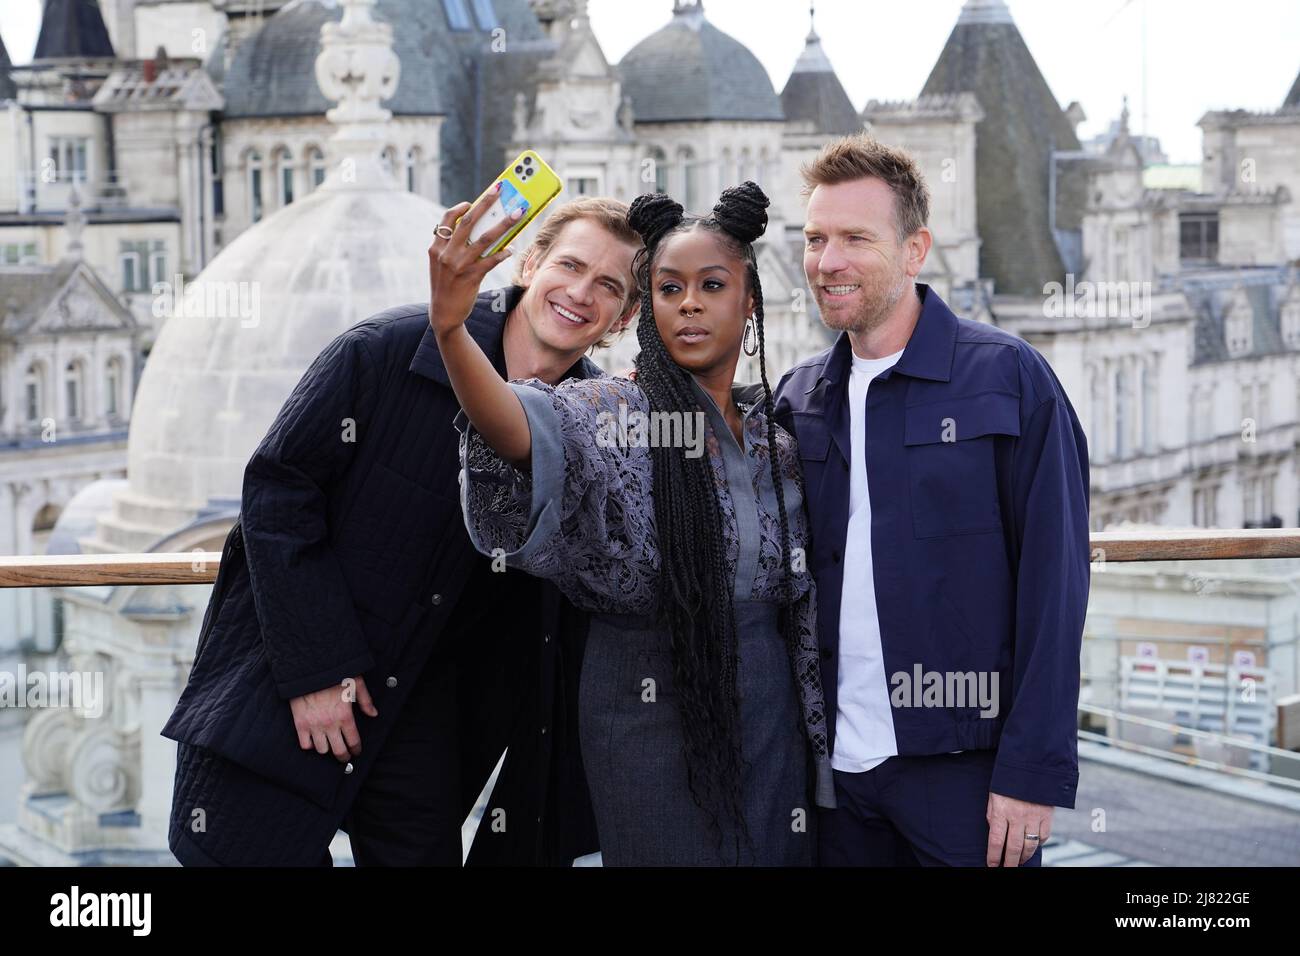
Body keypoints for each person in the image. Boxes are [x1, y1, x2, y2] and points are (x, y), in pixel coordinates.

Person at [161, 195, 643, 866]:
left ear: (624, 318)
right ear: (530, 264)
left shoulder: (598, 431)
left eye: (609, 287)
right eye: (570, 264)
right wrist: (317, 671)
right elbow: (277, 494)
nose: (581, 292)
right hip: (292, 697)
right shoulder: (382, 352)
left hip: (429, 738)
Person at [439, 182, 834, 866]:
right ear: (646, 309)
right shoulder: (603, 411)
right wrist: (450, 330)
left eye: (712, 285)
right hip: (642, 708)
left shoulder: (780, 445)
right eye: (667, 287)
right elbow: (516, 428)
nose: (689, 304)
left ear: (750, 302)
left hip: (770, 715)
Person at [774, 133, 1090, 867]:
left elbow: (1057, 586)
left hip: (968, 782)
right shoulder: (796, 400)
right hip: (831, 786)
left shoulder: (1011, 380)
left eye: (856, 237)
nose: (828, 261)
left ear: (915, 250)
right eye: (816, 238)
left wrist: (1030, 775)